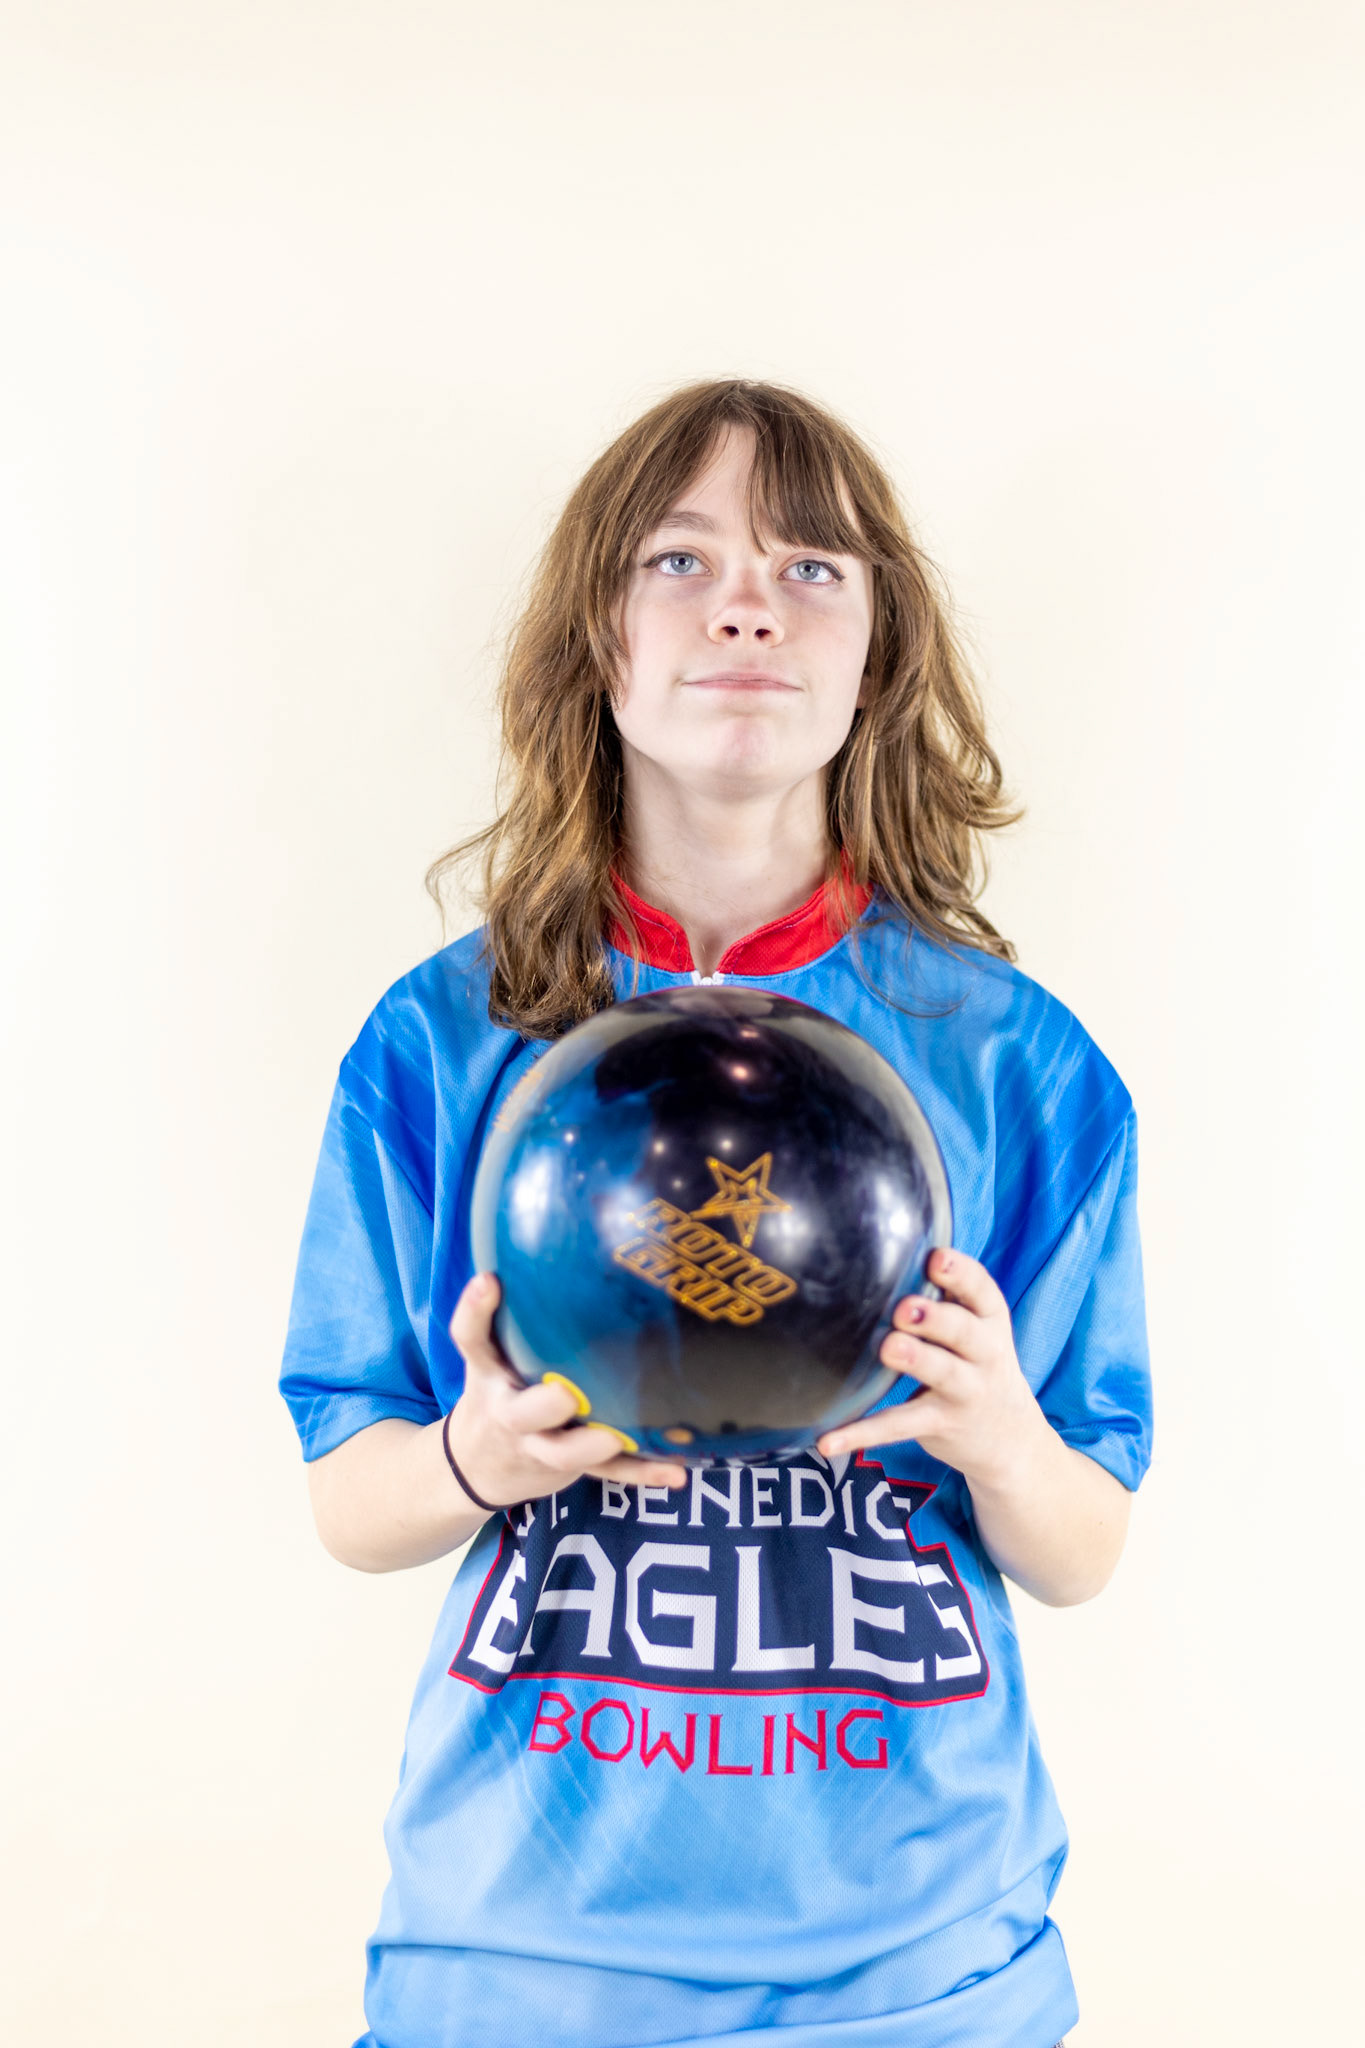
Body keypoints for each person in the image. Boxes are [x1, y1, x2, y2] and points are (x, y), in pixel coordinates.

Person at [280, 377, 1151, 2048]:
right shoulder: (442, 1039)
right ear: (591, 645)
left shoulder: (1018, 1067)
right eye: (678, 561)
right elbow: (349, 1495)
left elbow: (1082, 1543)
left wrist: (994, 1433)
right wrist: (475, 1457)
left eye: (811, 565)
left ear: (878, 658)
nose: (748, 597)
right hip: (521, 1960)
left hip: (920, 1968)